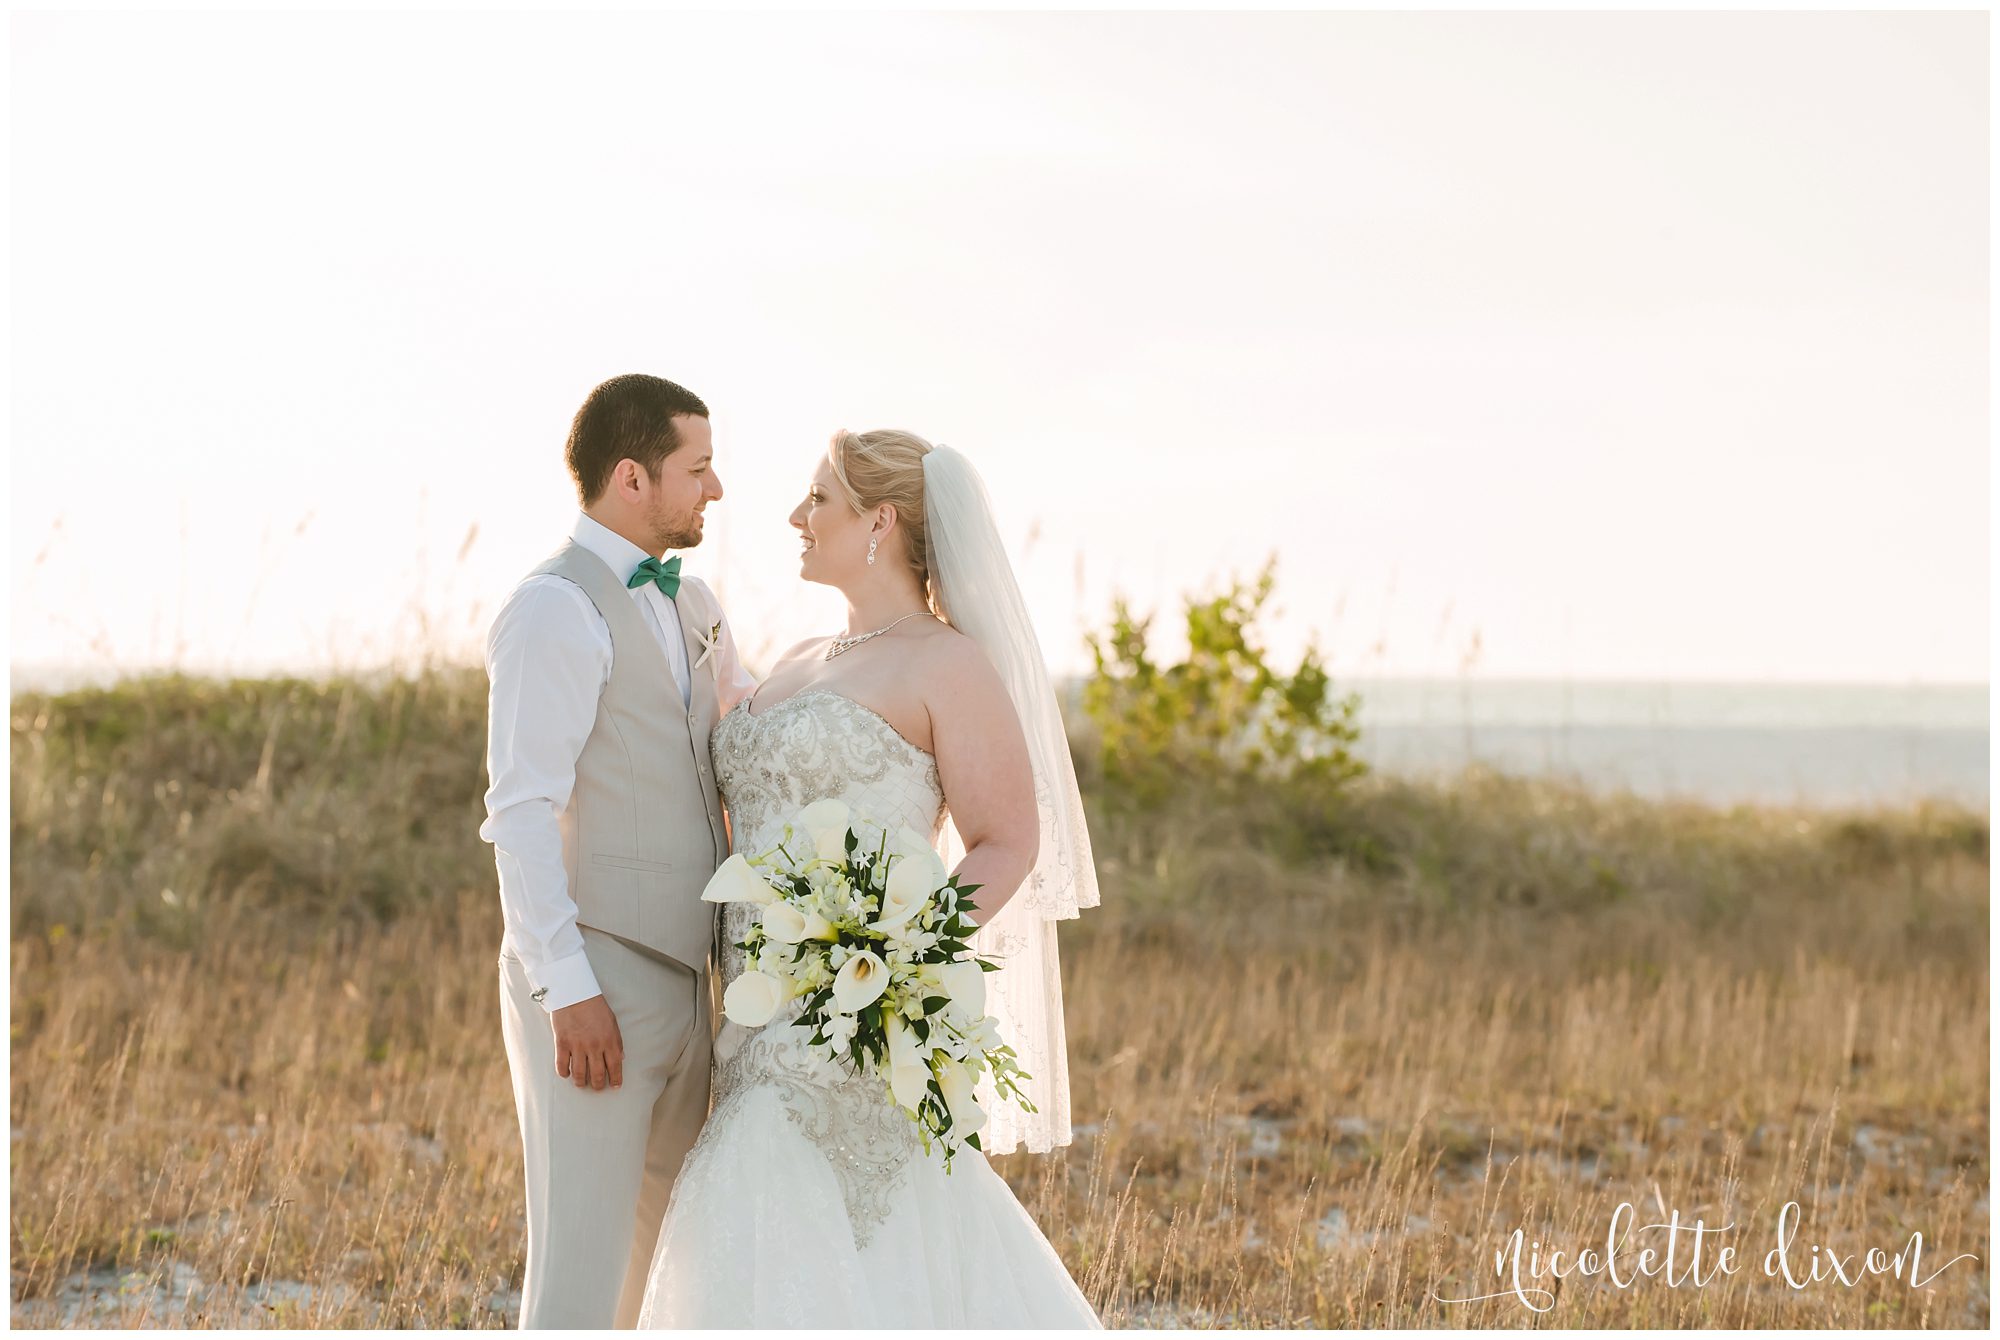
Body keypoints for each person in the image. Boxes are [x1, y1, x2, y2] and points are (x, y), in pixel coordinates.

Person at [637, 429, 1102, 1328]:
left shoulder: (948, 663)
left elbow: (1006, 839)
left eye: (818, 499)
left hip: (858, 1017)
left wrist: (898, 951)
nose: (795, 517)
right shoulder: (801, 657)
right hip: (752, 1011)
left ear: (879, 520)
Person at [481, 374, 756, 1328]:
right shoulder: (553, 608)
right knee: (580, 1275)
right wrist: (569, 987)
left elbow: (749, 733)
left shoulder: (695, 603)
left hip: (691, 983)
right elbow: (520, 811)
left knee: (665, 1268)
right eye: (700, 467)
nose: (716, 489)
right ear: (631, 476)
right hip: (596, 979)